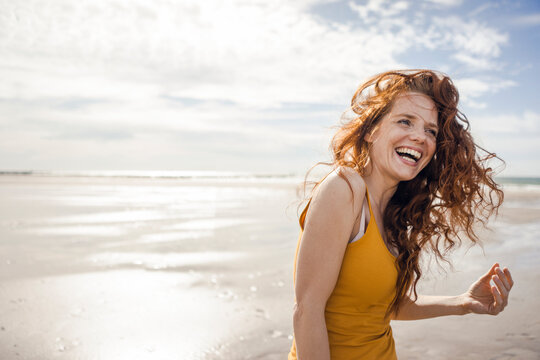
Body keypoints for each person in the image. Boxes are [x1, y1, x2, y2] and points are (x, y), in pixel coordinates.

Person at [287, 69, 514, 360]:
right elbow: (307, 309)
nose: (419, 137)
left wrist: (464, 302)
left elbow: (384, 307)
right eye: (405, 121)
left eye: (430, 130)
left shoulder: (395, 212)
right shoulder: (344, 189)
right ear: (371, 130)